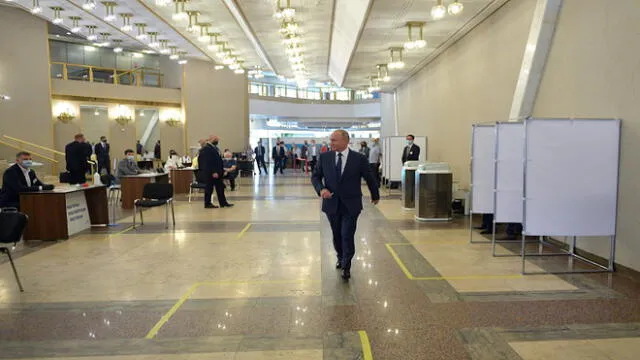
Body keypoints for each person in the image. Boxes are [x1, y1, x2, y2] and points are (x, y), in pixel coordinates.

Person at [311, 130, 380, 281]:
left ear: (345, 141)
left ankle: (346, 265)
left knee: (347, 234)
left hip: (351, 204)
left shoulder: (359, 159)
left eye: (334, 140)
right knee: (336, 234)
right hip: (332, 203)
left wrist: (375, 195)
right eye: (331, 140)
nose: (331, 143)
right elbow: (315, 176)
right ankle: (340, 256)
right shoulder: (325, 157)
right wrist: (321, 189)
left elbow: (370, 177)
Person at [198, 135, 233, 208]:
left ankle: (223, 203)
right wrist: (213, 172)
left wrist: (222, 170)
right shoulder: (207, 148)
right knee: (209, 188)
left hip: (218, 172)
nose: (217, 141)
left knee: (220, 188)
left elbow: (217, 160)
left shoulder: (214, 148)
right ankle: (207, 203)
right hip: (211, 173)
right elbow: (208, 162)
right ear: (211, 139)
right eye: (216, 139)